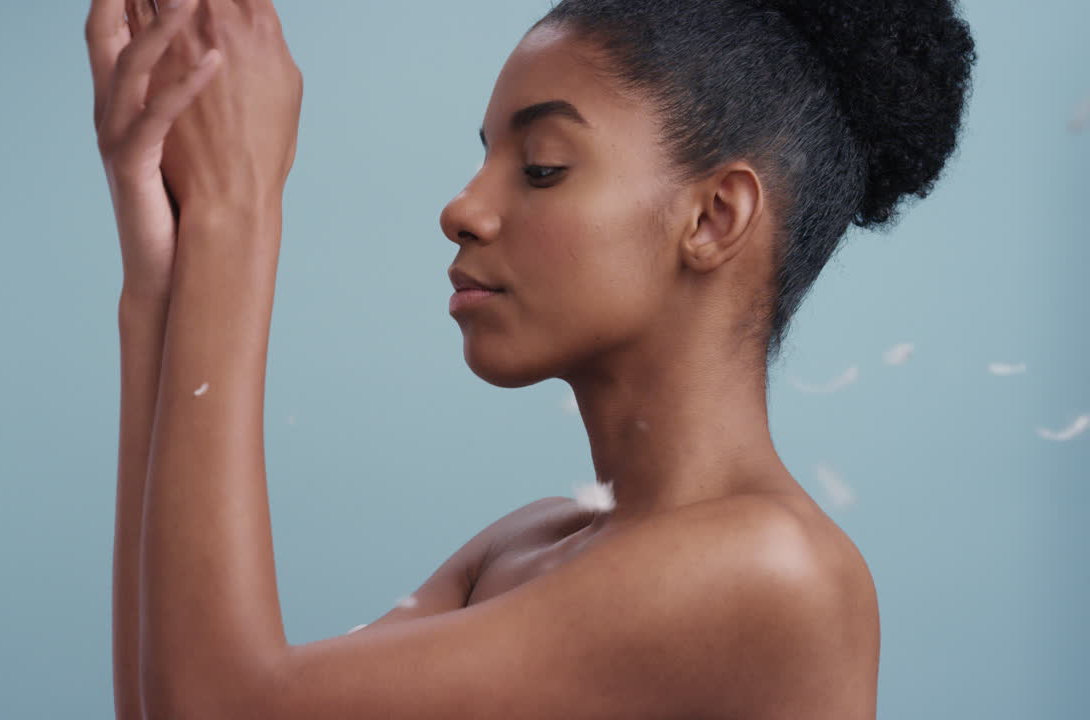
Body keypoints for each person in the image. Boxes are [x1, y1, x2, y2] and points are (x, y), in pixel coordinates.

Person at [90, 1, 976, 718]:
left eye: (543, 166)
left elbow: (219, 706)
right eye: (487, 158)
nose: (464, 208)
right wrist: (160, 290)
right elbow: (175, 699)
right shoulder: (522, 550)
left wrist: (237, 215)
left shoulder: (774, 571)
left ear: (712, 219)